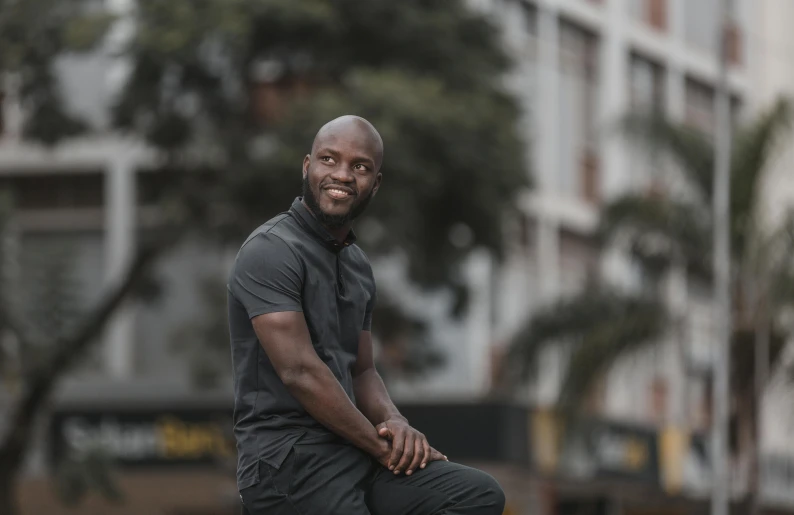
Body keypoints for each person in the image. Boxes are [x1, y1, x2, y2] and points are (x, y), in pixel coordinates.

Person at [227, 115, 506, 514]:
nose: (341, 174)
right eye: (329, 159)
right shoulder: (270, 250)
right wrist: (379, 446)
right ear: (308, 166)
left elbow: (362, 371)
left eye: (359, 166)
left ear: (374, 183)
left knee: (474, 495)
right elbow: (300, 372)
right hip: (288, 459)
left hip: (352, 449)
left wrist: (396, 424)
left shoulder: (356, 265)